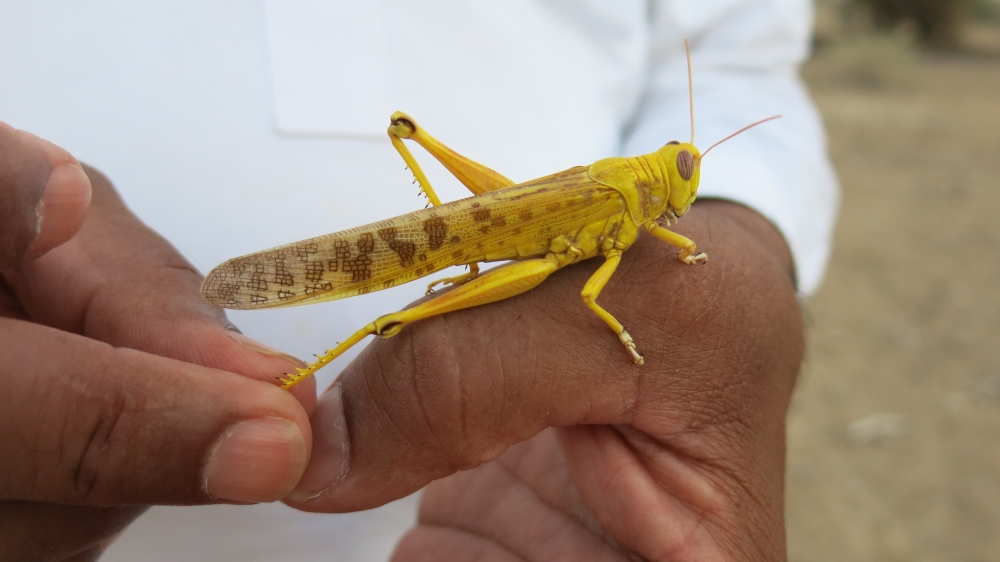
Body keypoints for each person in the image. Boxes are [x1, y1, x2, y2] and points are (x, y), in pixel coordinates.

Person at [0, 1, 837, 560]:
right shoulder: (626, 204)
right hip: (482, 243)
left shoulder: (646, 203)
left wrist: (745, 229)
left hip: (491, 506)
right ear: (659, 183)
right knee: (394, 322)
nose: (681, 191)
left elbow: (743, 62)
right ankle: (324, 353)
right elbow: (588, 292)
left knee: (407, 323)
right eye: (682, 180)